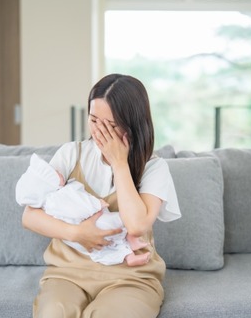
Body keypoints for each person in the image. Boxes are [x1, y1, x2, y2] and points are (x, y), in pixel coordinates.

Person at [21, 73, 181, 318]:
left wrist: (120, 163)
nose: (99, 131)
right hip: (68, 274)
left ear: (133, 124)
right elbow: (29, 217)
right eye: (94, 120)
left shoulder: (154, 168)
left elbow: (137, 226)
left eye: (111, 125)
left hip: (130, 279)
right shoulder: (70, 154)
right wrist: (77, 234)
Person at [15, 153, 151, 266]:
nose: (58, 171)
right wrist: (97, 205)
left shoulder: (55, 199)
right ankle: (130, 244)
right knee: (122, 219)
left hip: (86, 234)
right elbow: (78, 206)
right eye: (55, 174)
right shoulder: (57, 198)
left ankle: (129, 255)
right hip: (91, 224)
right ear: (47, 185)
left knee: (109, 245)